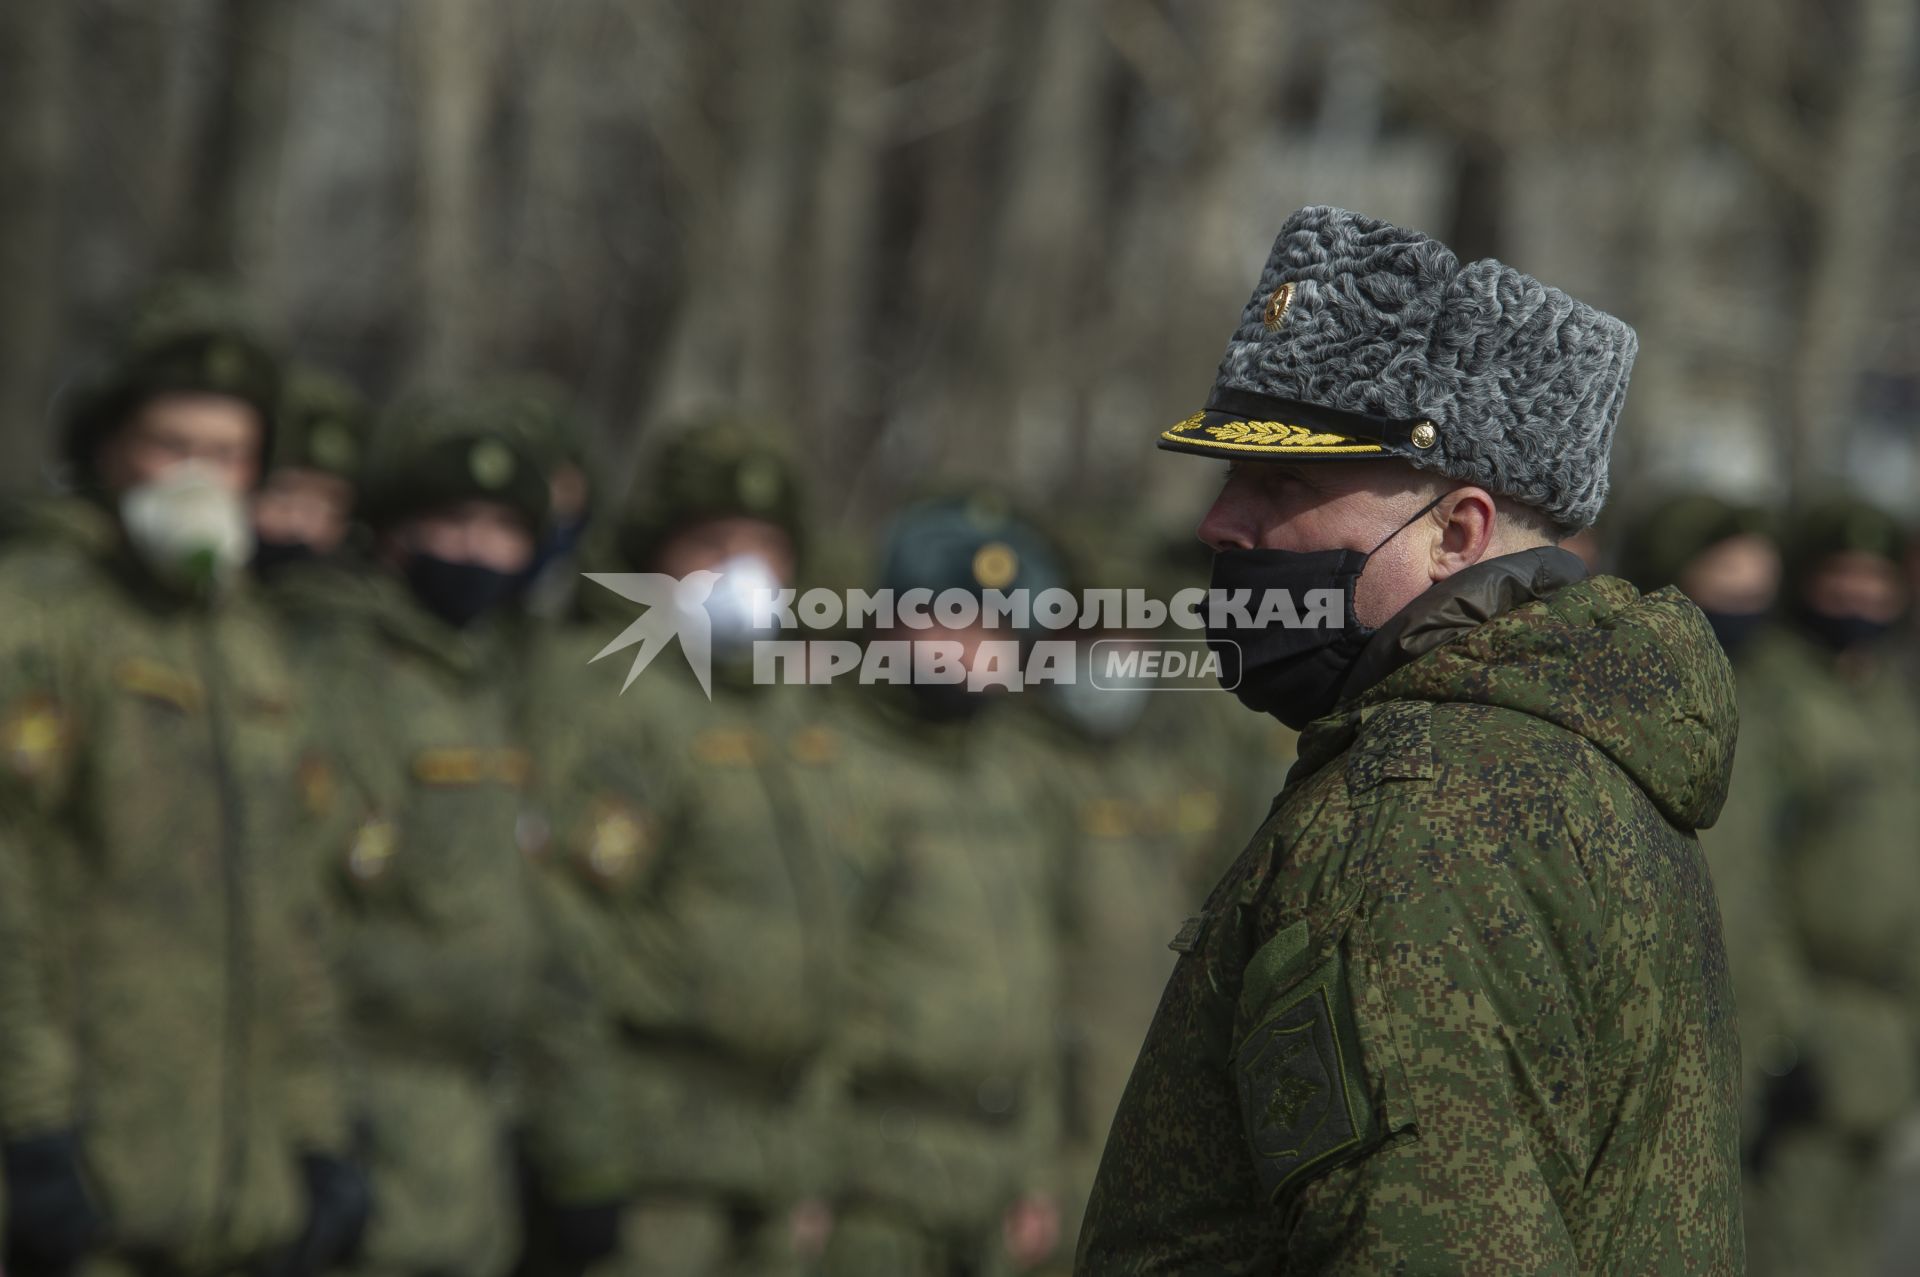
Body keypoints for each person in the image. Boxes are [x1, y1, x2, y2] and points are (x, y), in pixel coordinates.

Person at [1077, 205, 1742, 1273]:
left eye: (1282, 483)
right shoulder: (1572, 757)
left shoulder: (1417, 815)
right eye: (1228, 475)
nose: (1220, 523)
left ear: (1456, 533)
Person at [0, 319, 367, 1276]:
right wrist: (28, 1124)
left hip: (237, 1190)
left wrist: (314, 1131)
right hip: (83, 1164)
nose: (198, 474)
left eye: (228, 451)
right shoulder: (39, 615)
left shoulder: (252, 642)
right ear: (109, 449)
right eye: (172, 444)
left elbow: (297, 912)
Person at [290, 389, 623, 1277]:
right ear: (393, 532)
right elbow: (303, 911)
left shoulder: (493, 685)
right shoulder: (341, 671)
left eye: (501, 530)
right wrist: (317, 1121)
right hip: (367, 1104)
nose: (475, 552)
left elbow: (535, 920)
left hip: (478, 1129)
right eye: (450, 521)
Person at [522, 417, 847, 1276]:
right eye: (710, 542)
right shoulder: (609, 696)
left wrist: (817, 1157)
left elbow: (824, 945)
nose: (740, 571)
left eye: (764, 545)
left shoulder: (793, 710)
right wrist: (582, 1155)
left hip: (772, 1162)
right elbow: (562, 939)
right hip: (651, 1162)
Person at [821, 493, 1069, 1277]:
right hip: (871, 1182)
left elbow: (1031, 988)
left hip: (991, 1180)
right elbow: (809, 985)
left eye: (997, 628)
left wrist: (1035, 1171)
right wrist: (808, 1174)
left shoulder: (1012, 775)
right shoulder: (834, 764)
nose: (972, 648)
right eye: (948, 620)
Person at [1730, 496, 1920, 1277]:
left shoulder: (1889, 699)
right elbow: (1749, 886)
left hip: (1884, 1040)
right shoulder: (1771, 698)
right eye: (1841, 576)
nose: (1861, 596)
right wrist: (1778, 1040)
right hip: (1805, 1036)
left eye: (1877, 579)